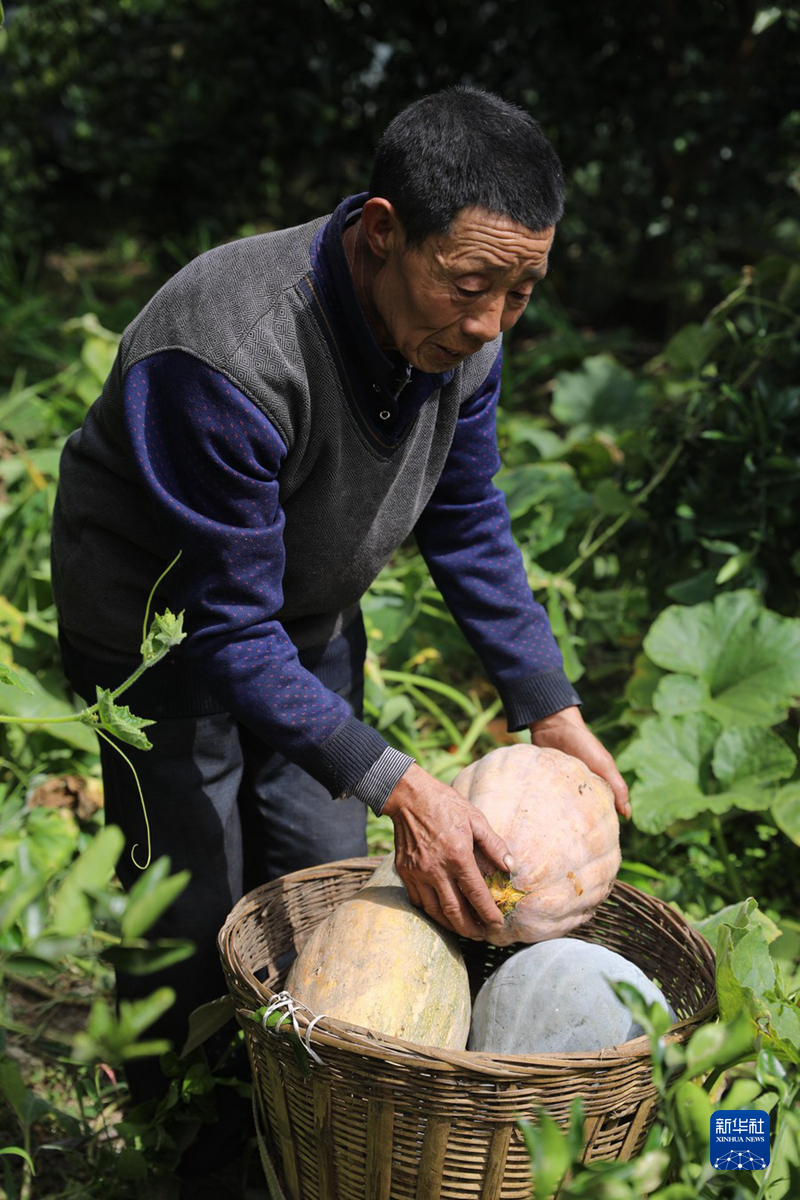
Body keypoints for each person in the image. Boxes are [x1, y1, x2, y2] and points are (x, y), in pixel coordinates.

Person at [51, 84, 629, 1170]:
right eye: (471, 285)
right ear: (380, 232)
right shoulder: (228, 351)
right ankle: (194, 1153)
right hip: (155, 640)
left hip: (301, 615)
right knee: (187, 911)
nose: (490, 324)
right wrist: (405, 786)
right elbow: (227, 632)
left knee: (329, 881)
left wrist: (547, 705)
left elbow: (466, 515)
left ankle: (307, 1138)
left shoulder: (463, 332)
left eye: (521, 293)